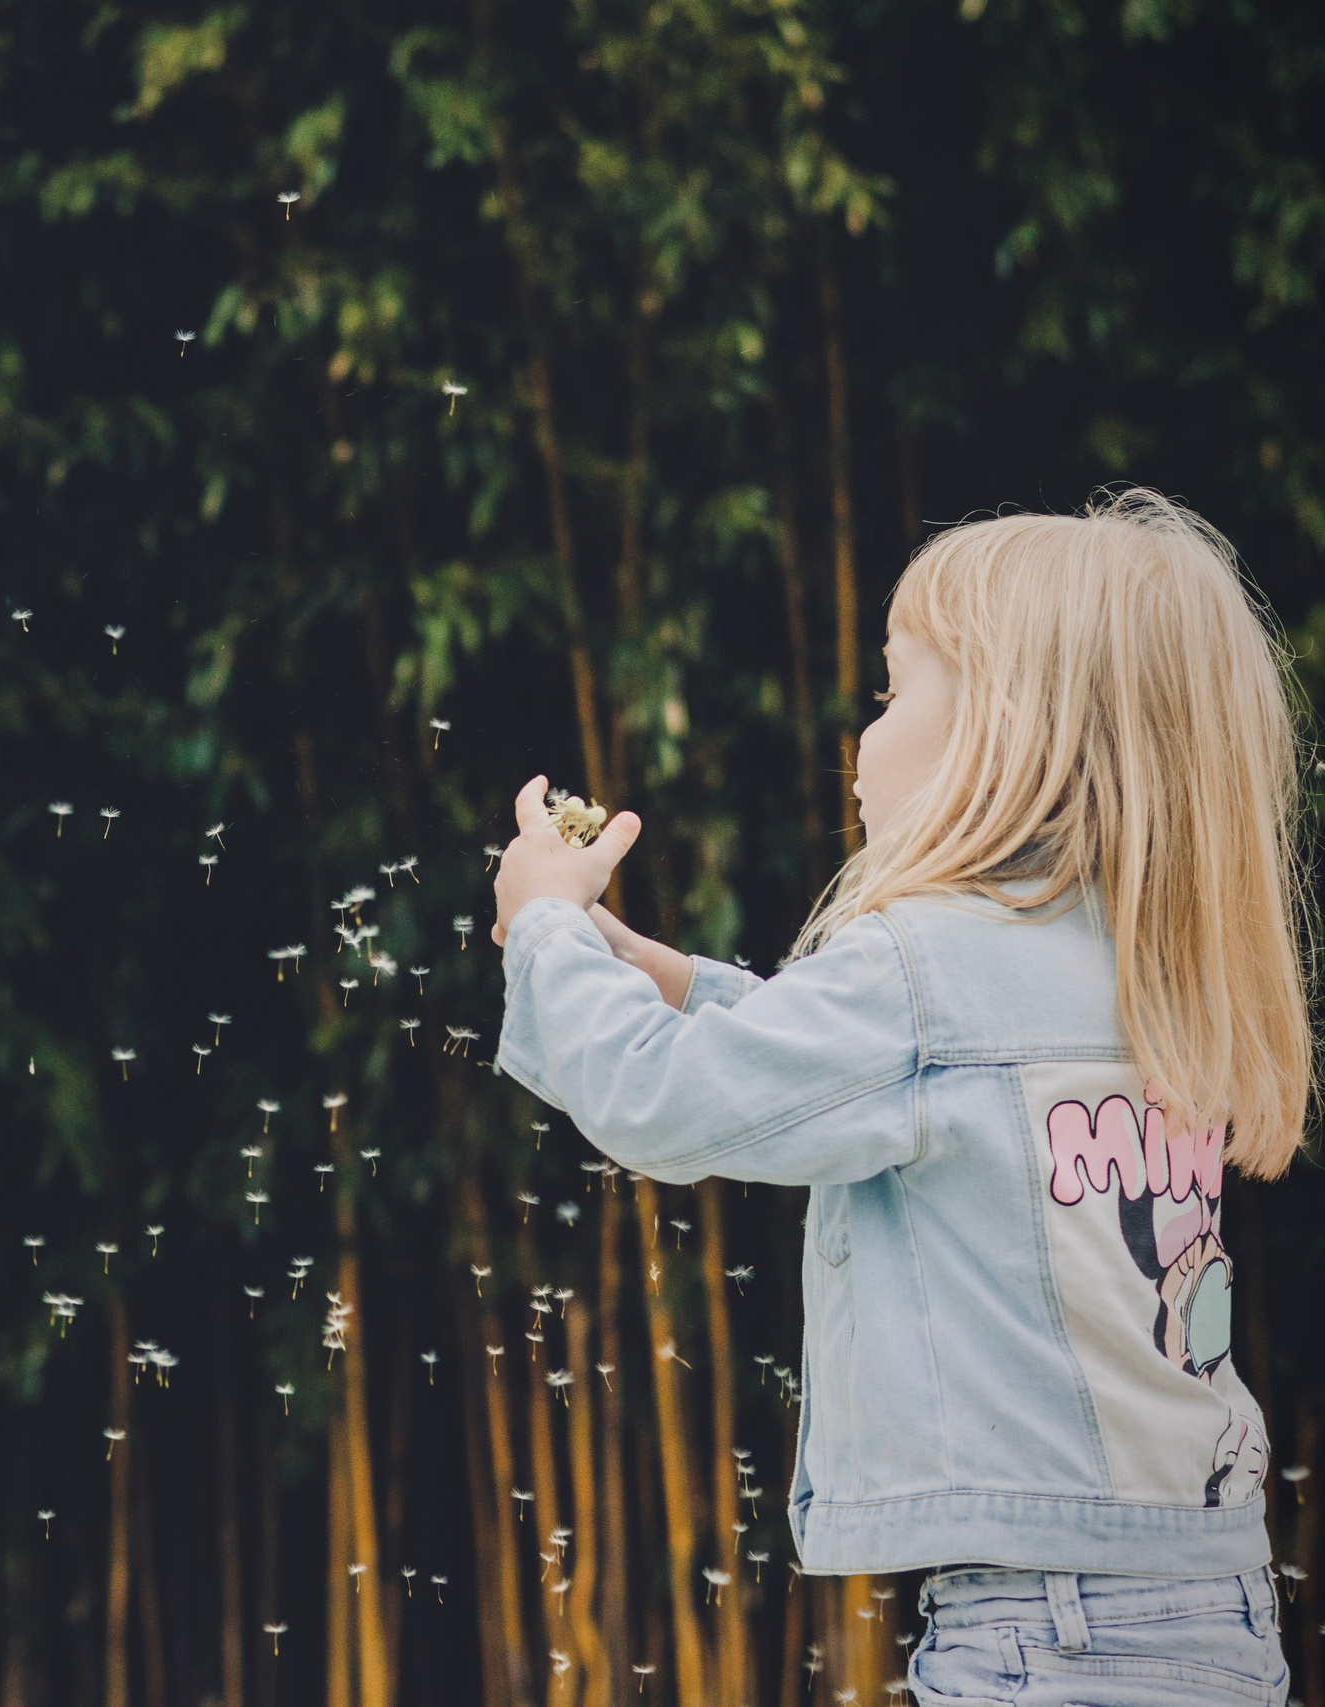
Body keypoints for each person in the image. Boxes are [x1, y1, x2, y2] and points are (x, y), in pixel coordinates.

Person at [491, 491, 1302, 1706]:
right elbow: (855, 1064)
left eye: (889, 690)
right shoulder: (1143, 964)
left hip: (1046, 1640)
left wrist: (545, 927)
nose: (862, 734)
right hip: (1212, 1609)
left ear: (1003, 731)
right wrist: (674, 978)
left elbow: (662, 1101)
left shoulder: (928, 969)